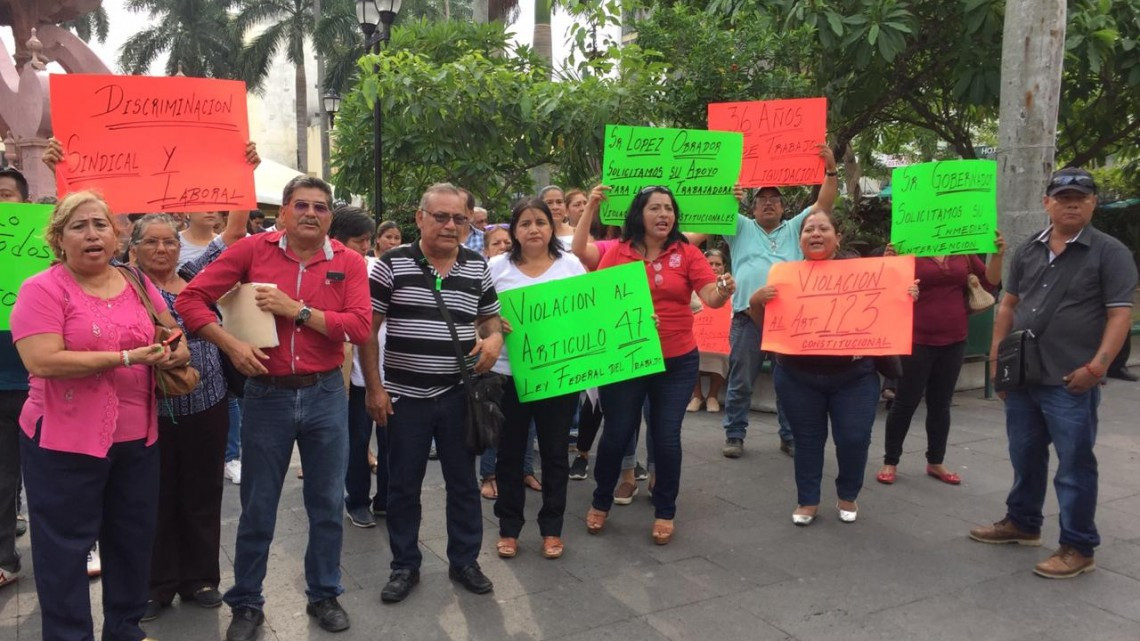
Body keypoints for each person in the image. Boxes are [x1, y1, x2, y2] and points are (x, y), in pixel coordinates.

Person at [176, 175, 371, 639]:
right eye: (300, 205)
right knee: (258, 505)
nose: (310, 213)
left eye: (320, 208)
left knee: (326, 502)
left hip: (325, 393)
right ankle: (246, 602)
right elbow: (190, 299)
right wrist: (228, 345)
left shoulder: (350, 262)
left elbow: (360, 327)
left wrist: (297, 310)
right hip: (266, 395)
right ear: (283, 211)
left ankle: (324, 593)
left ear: (330, 217)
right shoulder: (251, 252)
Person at [11, 190, 191, 641]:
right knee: (64, 549)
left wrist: (173, 353)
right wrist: (126, 357)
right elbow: (42, 360)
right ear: (59, 238)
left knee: (131, 540)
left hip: (136, 437)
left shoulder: (135, 279)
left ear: (116, 235)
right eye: (78, 226)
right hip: (63, 440)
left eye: (100, 225)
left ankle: (125, 628)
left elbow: (173, 334)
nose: (92, 234)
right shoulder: (42, 289)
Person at [969, 168, 1138, 579]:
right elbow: (1007, 304)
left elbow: (1120, 314)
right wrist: (997, 361)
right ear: (1047, 203)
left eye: (1081, 196)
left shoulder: (1109, 252)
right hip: (1024, 375)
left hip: (1072, 379)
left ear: (1094, 202)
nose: (1072, 203)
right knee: (1024, 454)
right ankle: (1022, 523)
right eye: (1063, 197)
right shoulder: (1029, 248)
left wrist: (1097, 367)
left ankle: (1079, 546)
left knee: (1075, 464)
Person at [573, 185, 736, 545]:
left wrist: (722, 290)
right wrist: (591, 207)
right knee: (616, 434)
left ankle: (665, 511)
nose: (664, 215)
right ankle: (601, 501)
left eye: (669, 209)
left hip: (677, 362)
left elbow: (709, 298)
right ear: (638, 214)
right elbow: (580, 254)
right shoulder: (615, 252)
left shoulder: (688, 253)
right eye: (655, 208)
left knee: (666, 437)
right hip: (627, 360)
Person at [364, 183, 503, 603]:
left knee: (463, 483)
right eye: (440, 216)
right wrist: (374, 389)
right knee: (403, 486)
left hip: (460, 396)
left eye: (458, 218)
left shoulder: (478, 266)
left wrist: (494, 343)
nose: (449, 225)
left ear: (468, 223)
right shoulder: (392, 264)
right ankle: (405, 565)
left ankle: (465, 561)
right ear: (420, 218)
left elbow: (491, 322)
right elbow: (366, 332)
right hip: (405, 398)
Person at [759, 209, 918, 526]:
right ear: (800, 239)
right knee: (806, 440)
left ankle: (848, 494)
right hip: (797, 376)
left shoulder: (863, 274)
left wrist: (906, 295)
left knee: (855, 438)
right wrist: (756, 301)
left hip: (854, 377)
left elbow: (888, 307)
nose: (815, 234)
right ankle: (807, 500)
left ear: (837, 237)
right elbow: (766, 331)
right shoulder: (783, 278)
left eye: (823, 228)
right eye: (808, 230)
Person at [131, 209, 251, 622]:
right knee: (156, 497)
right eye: (151, 241)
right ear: (134, 248)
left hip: (209, 403)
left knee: (203, 492)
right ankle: (156, 585)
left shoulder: (197, 276)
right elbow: (97, 229)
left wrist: (244, 174)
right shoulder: (124, 284)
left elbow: (234, 232)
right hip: (150, 411)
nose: (162, 248)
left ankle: (201, 578)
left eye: (169, 241)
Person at [689, 147, 839, 459]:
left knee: (790, 383)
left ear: (784, 207)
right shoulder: (741, 226)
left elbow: (823, 203)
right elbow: (707, 221)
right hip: (747, 318)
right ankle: (734, 434)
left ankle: (788, 436)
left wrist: (832, 170)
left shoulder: (797, 226)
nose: (768, 204)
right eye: (761, 200)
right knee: (741, 380)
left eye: (774, 199)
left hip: (790, 319)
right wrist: (729, 197)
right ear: (753, 207)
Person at [489, 198, 586, 560]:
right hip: (507, 375)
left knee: (556, 454)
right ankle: (509, 528)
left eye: (540, 222)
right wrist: (493, 324)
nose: (534, 229)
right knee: (510, 455)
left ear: (552, 226)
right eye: (525, 223)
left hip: (557, 377)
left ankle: (552, 529)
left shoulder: (570, 265)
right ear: (514, 230)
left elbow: (590, 313)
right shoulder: (496, 267)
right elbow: (478, 315)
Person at [875, 234, 1005, 486]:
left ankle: (936, 460)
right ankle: (891, 460)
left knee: (941, 403)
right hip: (916, 339)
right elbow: (887, 288)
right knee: (905, 401)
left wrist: (999, 254)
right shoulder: (908, 245)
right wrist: (888, 262)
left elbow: (990, 282)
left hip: (955, 339)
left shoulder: (961, 248)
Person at [329, 206, 387, 529]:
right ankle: (358, 501)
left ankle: (386, 499)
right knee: (357, 442)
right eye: (358, 240)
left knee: (393, 443)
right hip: (354, 376)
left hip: (390, 371)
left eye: (368, 240)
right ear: (337, 239)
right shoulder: (330, 270)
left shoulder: (379, 268)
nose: (365, 247)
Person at [0, 167, 30, 592]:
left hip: (39, 383)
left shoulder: (39, 246)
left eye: (6, 194)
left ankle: (79, 546)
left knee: (58, 477)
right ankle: (4, 555)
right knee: (4, 477)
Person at [688, 248, 730, 413]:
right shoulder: (692, 285)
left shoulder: (730, 287)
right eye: (710, 263)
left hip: (721, 338)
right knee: (690, 354)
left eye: (717, 264)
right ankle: (697, 396)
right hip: (695, 336)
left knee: (725, 353)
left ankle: (712, 395)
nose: (714, 267)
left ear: (724, 267)